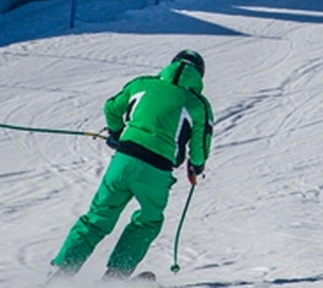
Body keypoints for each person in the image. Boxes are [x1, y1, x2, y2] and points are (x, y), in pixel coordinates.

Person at [49, 49, 214, 281]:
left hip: (123, 161)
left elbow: (111, 108)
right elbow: (200, 146)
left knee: (98, 216)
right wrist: (196, 167)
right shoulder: (198, 104)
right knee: (148, 221)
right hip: (156, 171)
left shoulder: (143, 84)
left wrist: (116, 134)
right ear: (200, 75)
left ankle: (62, 271)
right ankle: (115, 277)